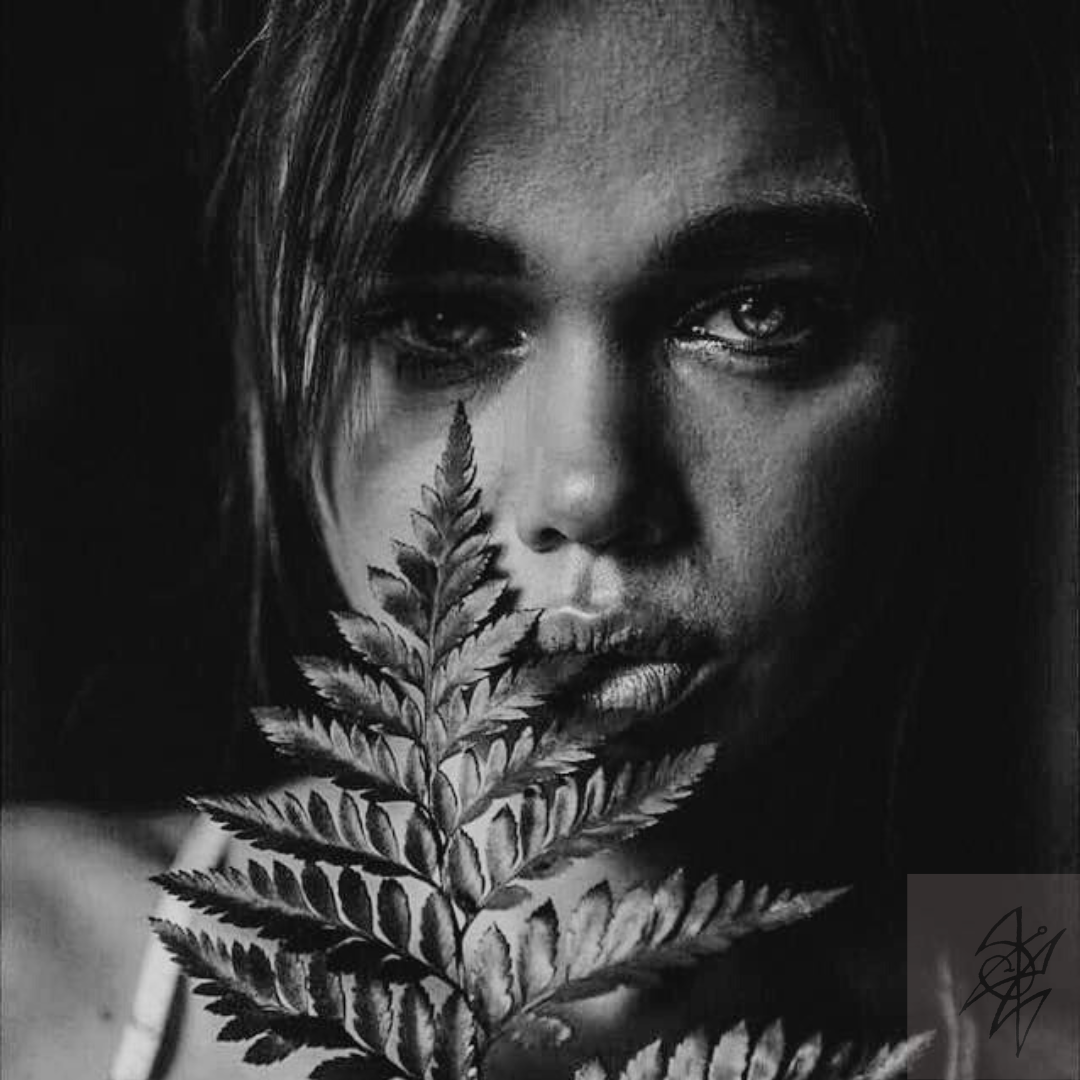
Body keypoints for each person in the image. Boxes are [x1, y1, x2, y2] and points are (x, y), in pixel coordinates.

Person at [2, 1, 1075, 1077]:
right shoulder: (24, 972)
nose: (592, 487)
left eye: (761, 311)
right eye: (442, 323)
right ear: (272, 366)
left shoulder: (1022, 1003)